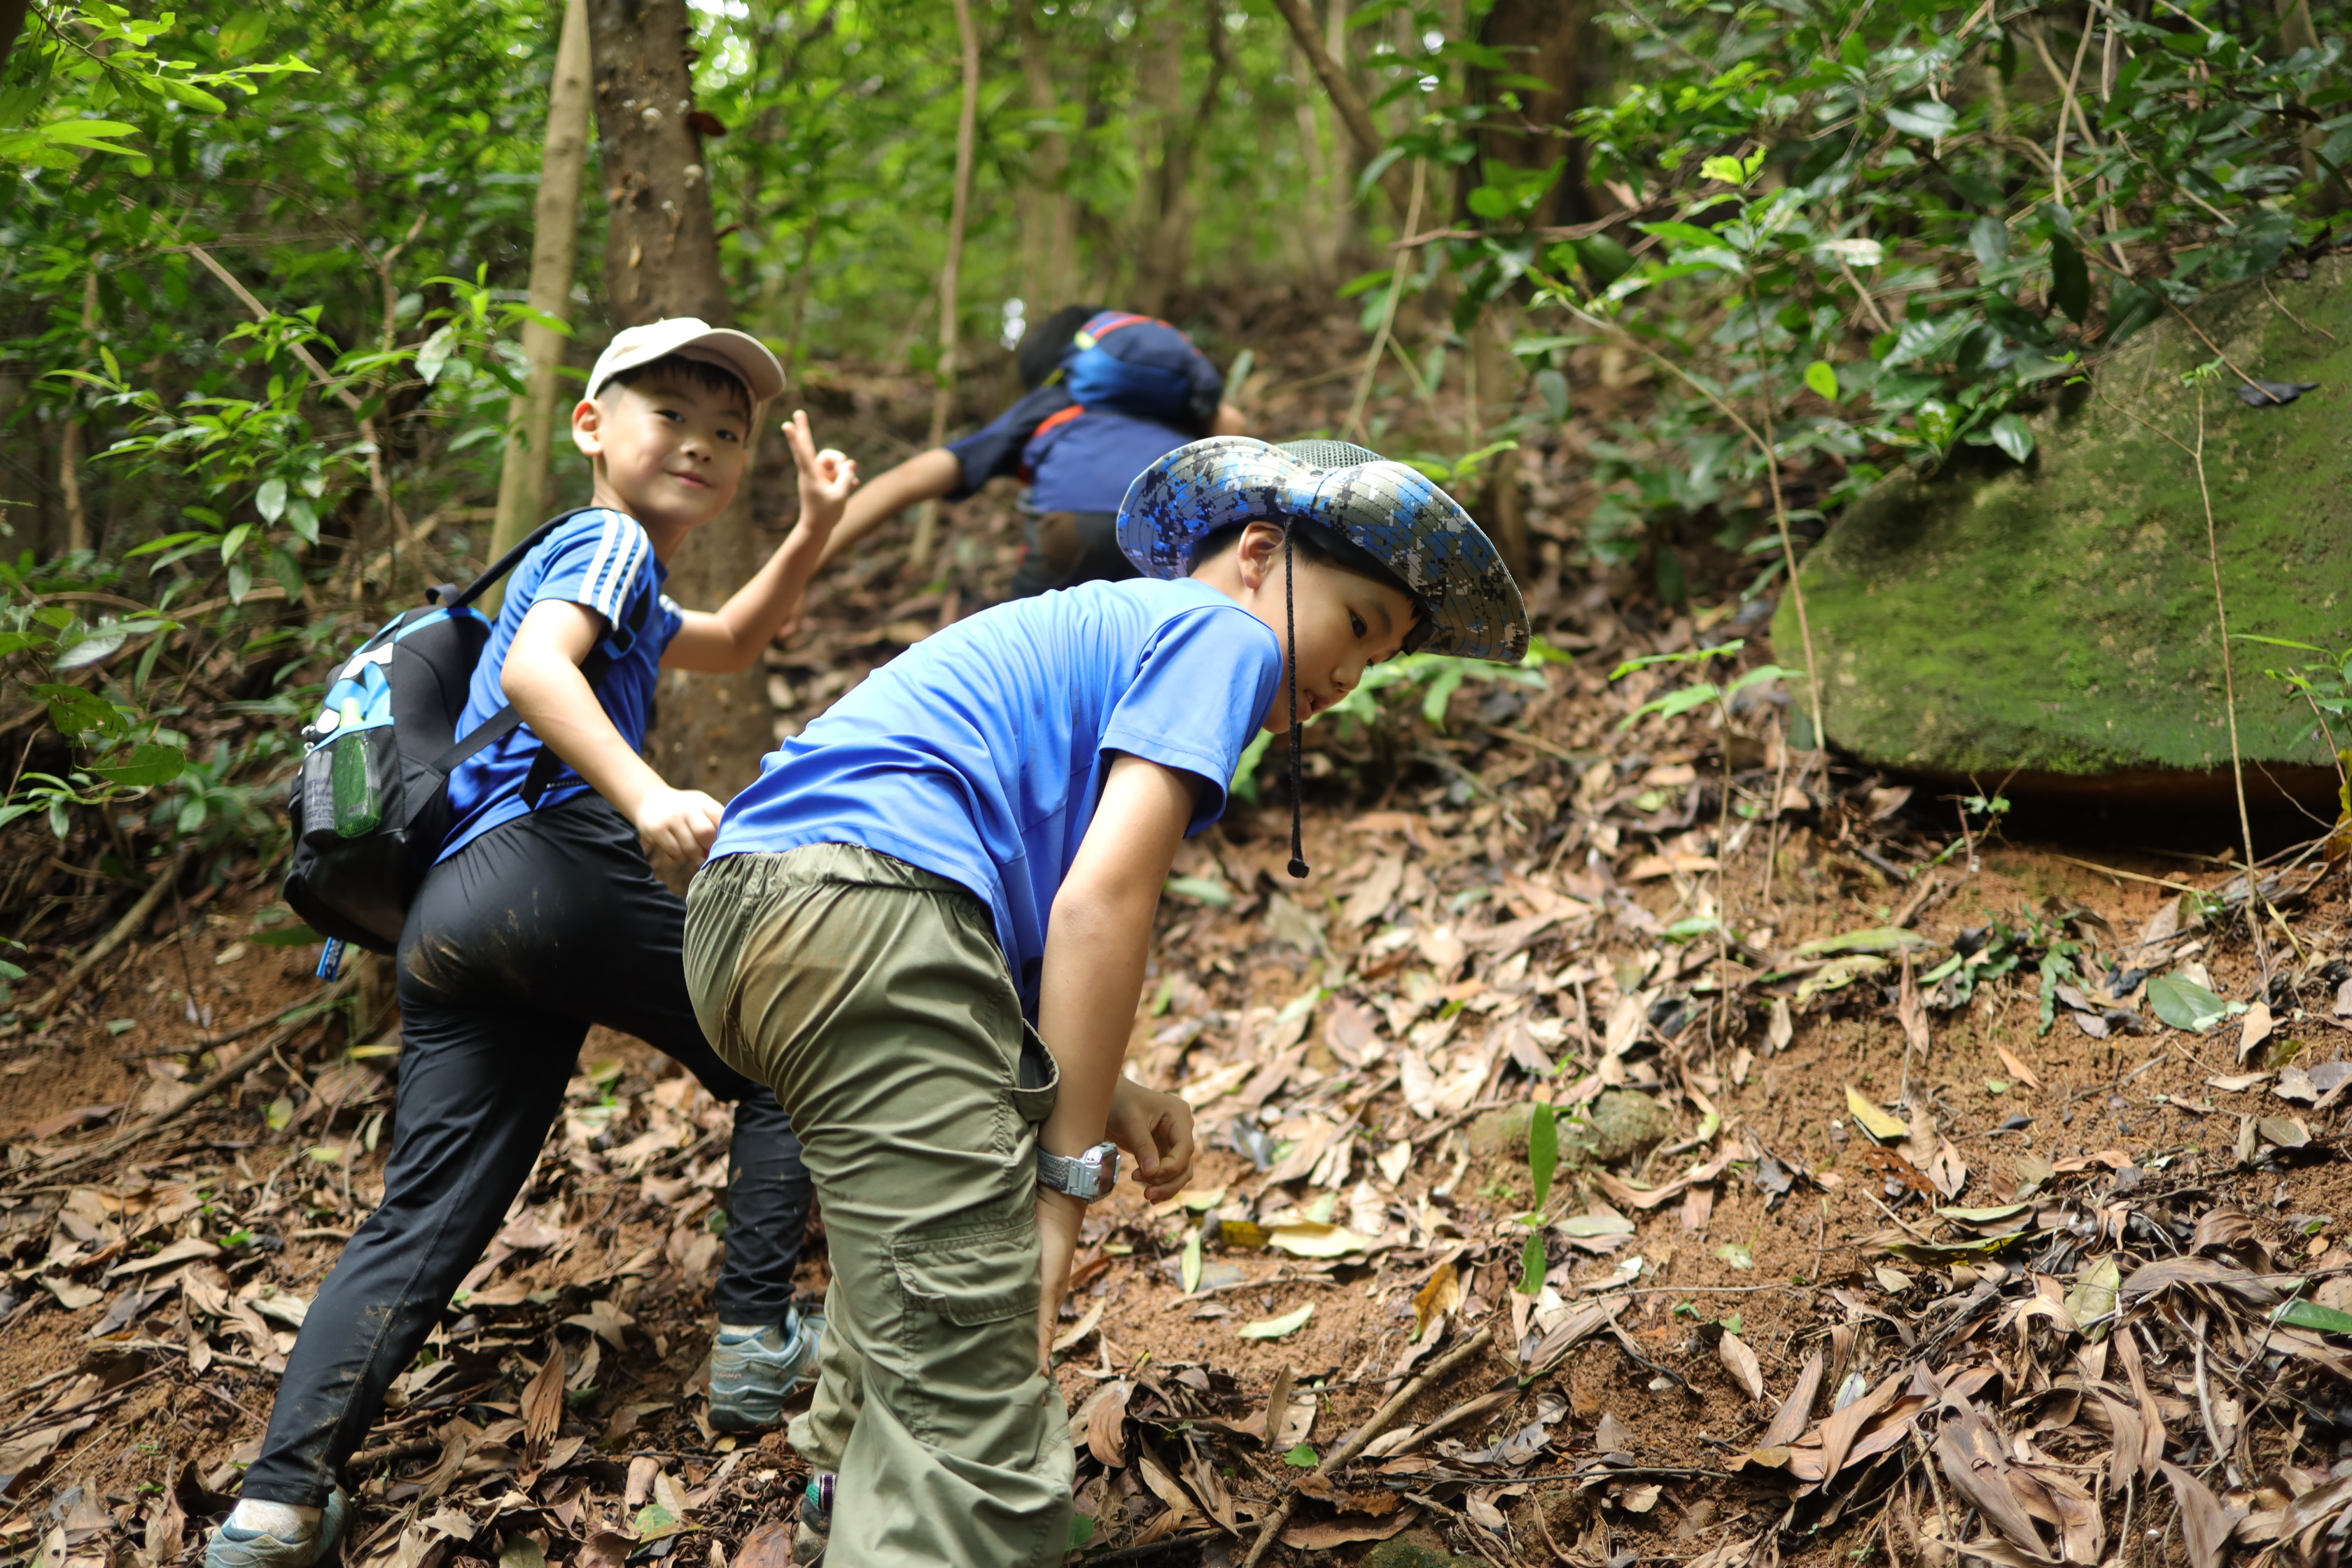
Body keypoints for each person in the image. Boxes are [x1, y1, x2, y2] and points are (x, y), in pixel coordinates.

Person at [681, 435, 1529, 1564]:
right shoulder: (1219, 632)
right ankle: (928, 1518)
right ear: (1258, 554)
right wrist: (1059, 1197)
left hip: (757, 912)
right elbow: (1099, 906)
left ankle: (847, 1487)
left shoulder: (1111, 631)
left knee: (917, 1246)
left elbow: (1013, 910)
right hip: (870, 909)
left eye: (1384, 655)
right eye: (1361, 623)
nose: (1353, 674)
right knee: (979, 1377)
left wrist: (1107, 1085)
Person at [206, 319, 859, 1568]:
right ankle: (756, 1342)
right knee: (795, 1049)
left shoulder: (610, 572)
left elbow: (735, 642)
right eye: (672, 416)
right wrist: (647, 796)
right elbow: (545, 680)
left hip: (457, 915)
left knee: (423, 1216)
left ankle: (276, 1507)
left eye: (728, 433)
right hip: (558, 864)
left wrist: (813, 530)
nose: (706, 446)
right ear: (592, 428)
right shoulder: (606, 542)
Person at [813, 304, 1250, 598]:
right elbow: (1233, 428)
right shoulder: (1184, 412)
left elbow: (910, 479)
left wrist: (799, 573)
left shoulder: (1058, 402)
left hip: (1073, 529)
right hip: (1180, 544)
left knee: (1026, 665)